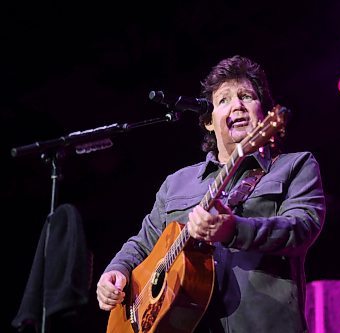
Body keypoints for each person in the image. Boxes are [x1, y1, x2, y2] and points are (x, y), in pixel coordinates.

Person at [96, 55, 326, 332]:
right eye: (224, 100)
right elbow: (143, 243)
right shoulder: (176, 183)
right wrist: (117, 270)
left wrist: (233, 230)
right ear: (208, 121)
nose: (238, 105)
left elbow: (302, 227)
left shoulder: (295, 166)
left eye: (247, 96)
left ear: (263, 114)